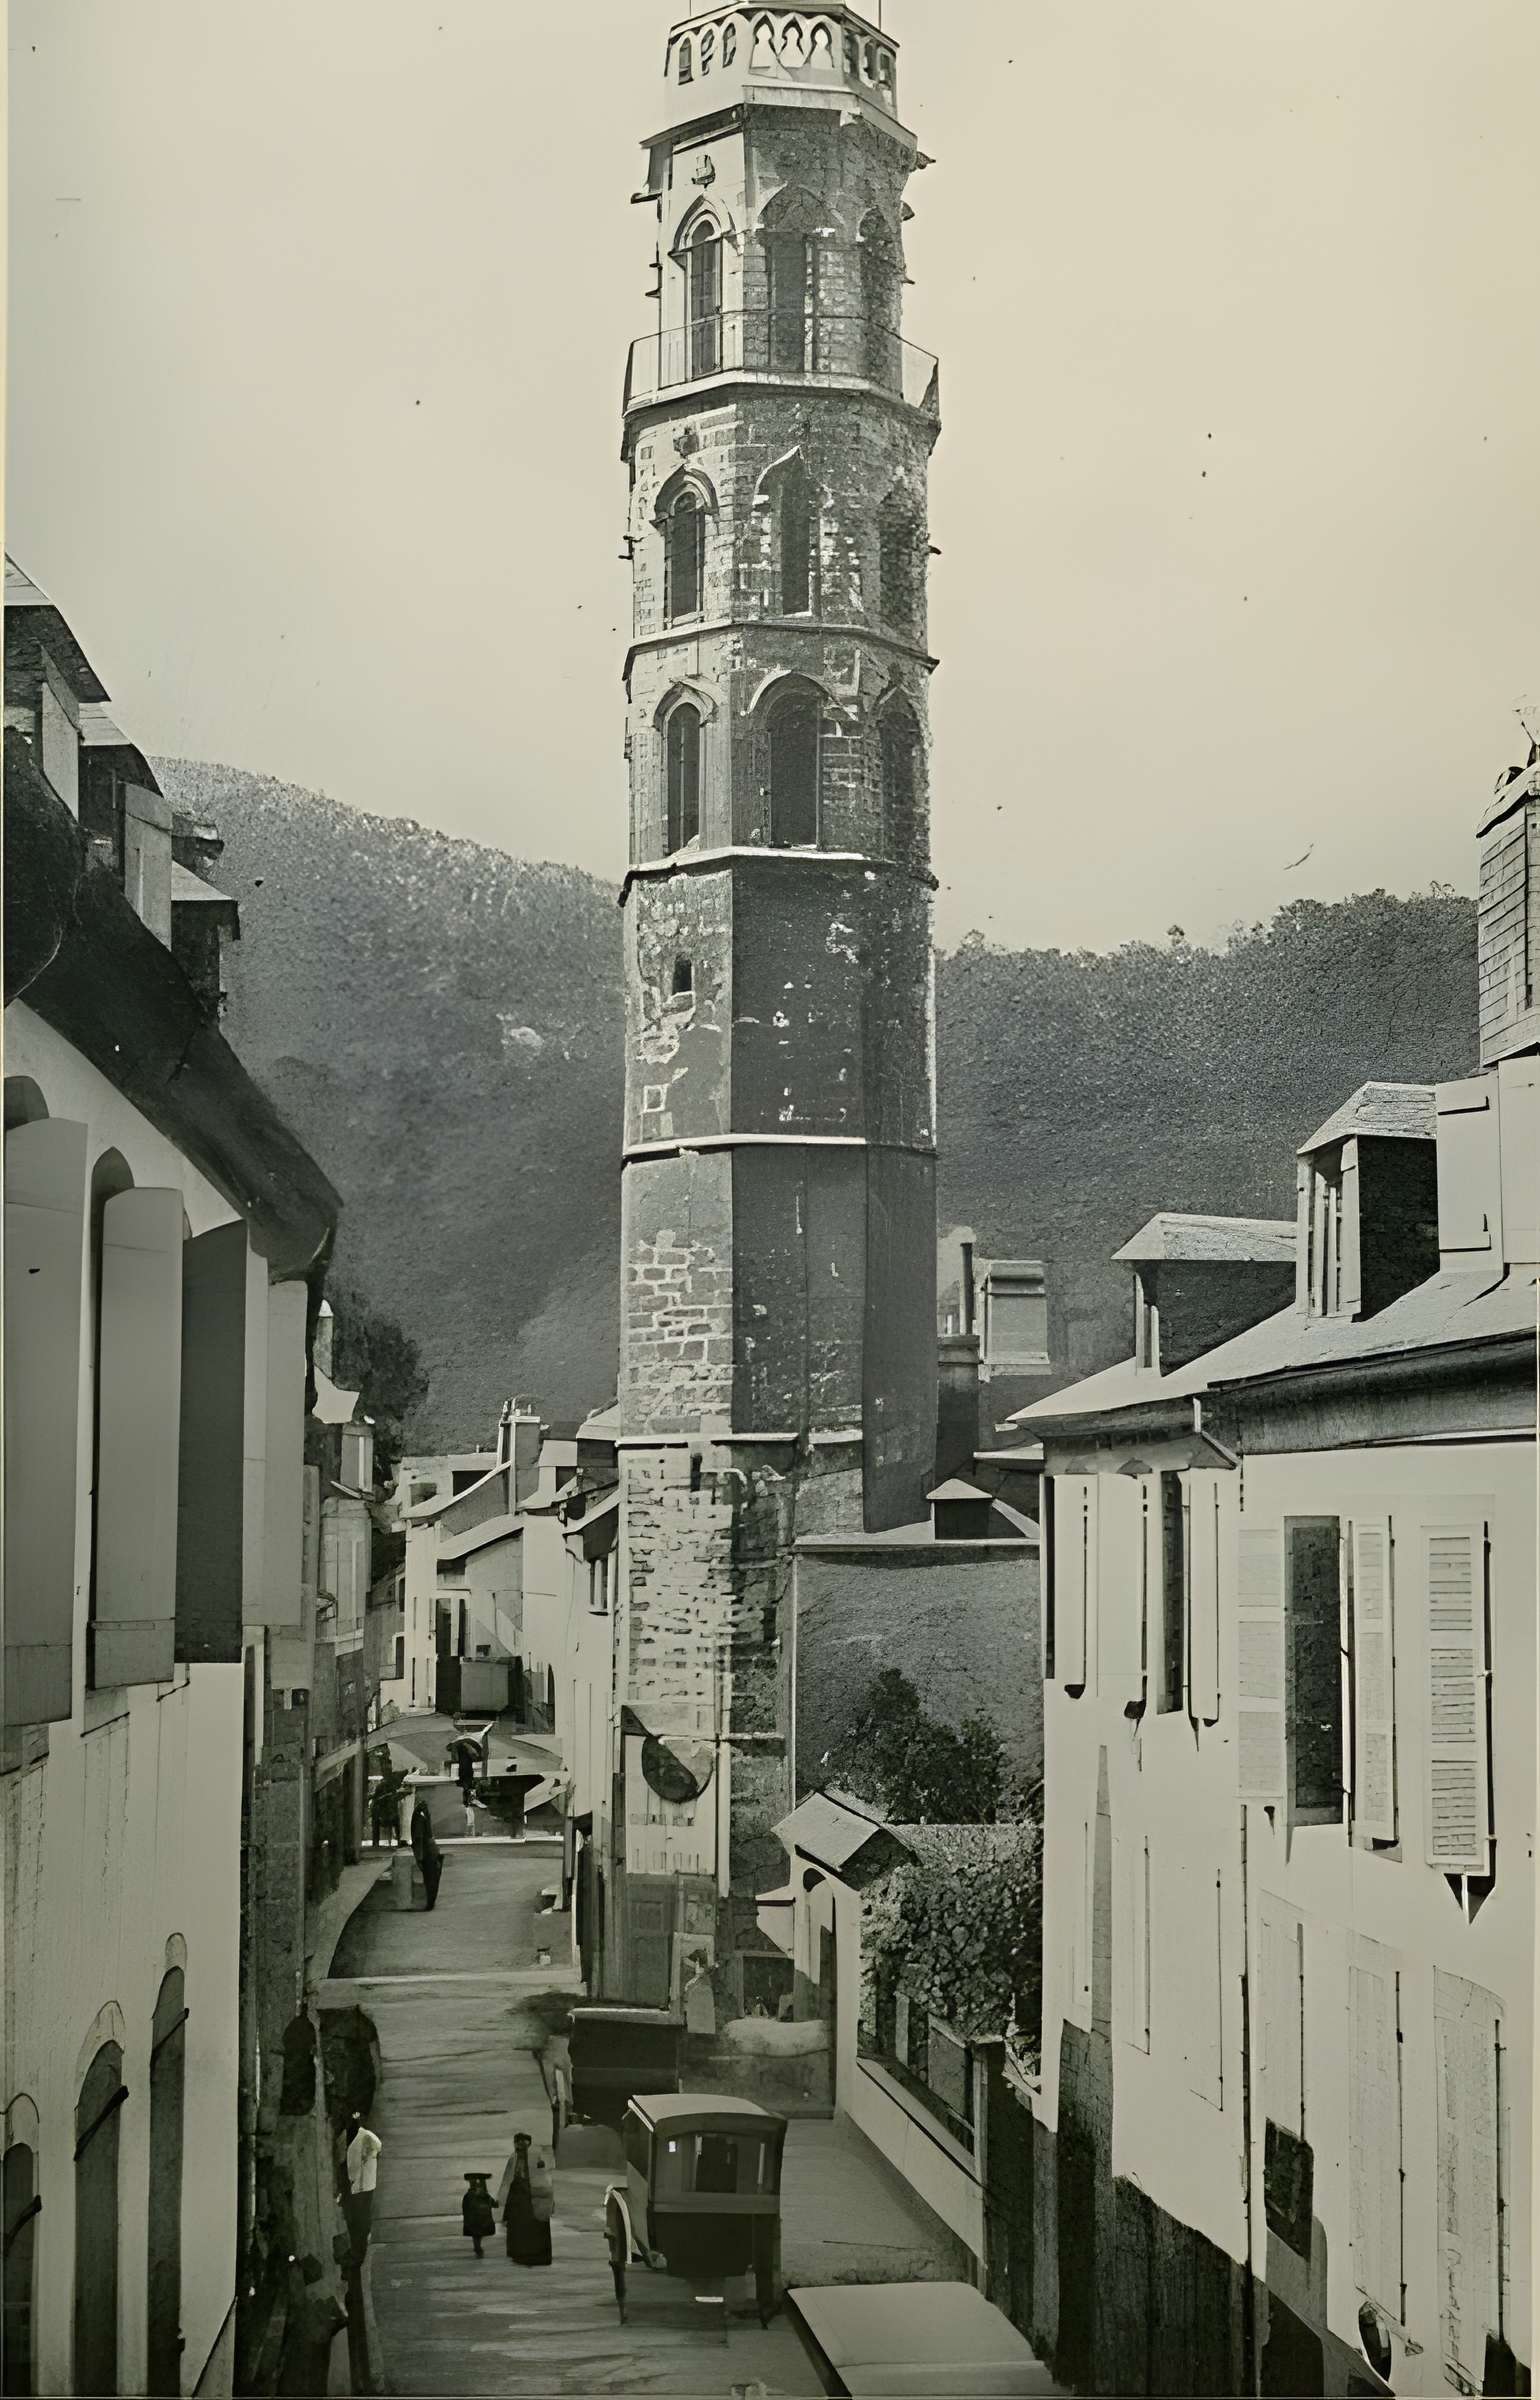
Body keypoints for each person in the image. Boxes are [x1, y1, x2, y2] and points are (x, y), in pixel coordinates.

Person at [277, 2254, 347, 2397]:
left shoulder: (304, 2308)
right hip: (303, 2376)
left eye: (298, 2280)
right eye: (294, 2281)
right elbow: (318, 2334)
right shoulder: (300, 2311)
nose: (296, 2285)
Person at [501, 2131, 553, 2267]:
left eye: (523, 2141)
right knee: (518, 2224)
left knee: (534, 2223)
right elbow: (507, 2179)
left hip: (532, 2194)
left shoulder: (536, 2157)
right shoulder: (513, 2158)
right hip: (517, 2194)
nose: (520, 2144)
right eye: (518, 2142)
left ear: (528, 2143)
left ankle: (535, 2253)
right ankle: (519, 2253)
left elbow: (543, 2177)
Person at [341, 2112, 382, 2263]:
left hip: (362, 2185)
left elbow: (378, 2148)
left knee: (360, 2218)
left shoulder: (364, 2136)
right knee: (358, 2218)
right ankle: (358, 2249)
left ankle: (359, 2251)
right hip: (360, 2185)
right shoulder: (355, 2137)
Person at [409, 1790, 443, 1910]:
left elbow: (419, 1838)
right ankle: (430, 1901)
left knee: (430, 1876)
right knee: (432, 1876)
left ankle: (429, 1901)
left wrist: (418, 1857)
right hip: (430, 1849)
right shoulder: (423, 1814)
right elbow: (420, 1837)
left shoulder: (420, 1814)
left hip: (429, 1850)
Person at [462, 2172, 496, 2260]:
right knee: (478, 2234)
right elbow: (494, 2204)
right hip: (479, 2218)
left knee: (476, 2234)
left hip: (475, 2218)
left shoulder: (470, 2195)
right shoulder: (483, 2195)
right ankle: (477, 2247)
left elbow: (466, 2208)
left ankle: (477, 2247)